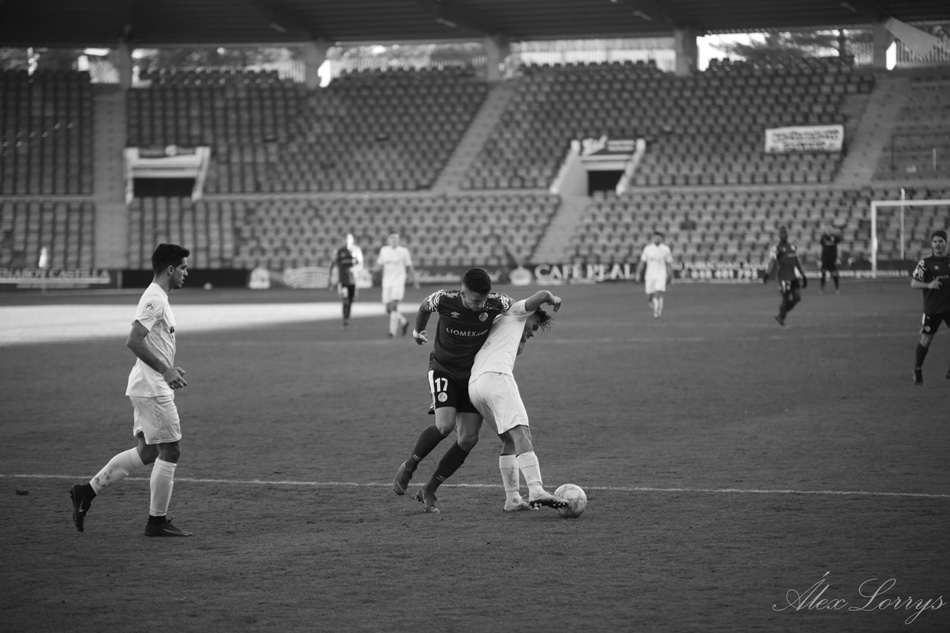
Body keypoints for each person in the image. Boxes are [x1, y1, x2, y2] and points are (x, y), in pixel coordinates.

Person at [69, 243, 193, 537]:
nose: (186, 273)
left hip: (147, 384)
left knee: (148, 451)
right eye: (183, 268)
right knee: (171, 450)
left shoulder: (159, 297)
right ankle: (156, 522)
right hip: (152, 387)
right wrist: (165, 370)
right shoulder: (155, 299)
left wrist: (168, 367)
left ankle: (86, 491)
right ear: (170, 269)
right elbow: (134, 340)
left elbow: (151, 342)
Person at [391, 267, 512, 513]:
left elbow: (520, 311)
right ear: (462, 292)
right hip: (443, 370)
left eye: (484, 300)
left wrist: (522, 337)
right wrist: (418, 331)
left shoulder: (498, 302)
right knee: (445, 425)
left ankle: (429, 489)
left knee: (468, 438)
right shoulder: (444, 299)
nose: (480, 305)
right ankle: (410, 466)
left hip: (474, 376)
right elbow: (424, 306)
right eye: (475, 300)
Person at [468, 290, 567, 512]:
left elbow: (518, 350)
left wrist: (524, 336)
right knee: (522, 433)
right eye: (535, 326)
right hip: (496, 377)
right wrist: (553, 299)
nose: (534, 331)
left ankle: (512, 499)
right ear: (529, 314)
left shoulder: (501, 324)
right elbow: (542, 294)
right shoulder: (517, 312)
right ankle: (536, 489)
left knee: (509, 440)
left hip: (475, 386)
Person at [910, 229, 950, 385]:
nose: (938, 244)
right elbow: (913, 283)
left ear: (946, 243)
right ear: (931, 244)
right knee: (926, 340)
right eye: (935, 241)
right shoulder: (925, 262)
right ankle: (917, 369)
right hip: (932, 309)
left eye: (941, 241)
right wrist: (929, 285)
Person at [374, 232, 418, 338]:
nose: (394, 240)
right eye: (392, 238)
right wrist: (372, 271)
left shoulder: (403, 251)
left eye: (396, 238)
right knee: (388, 309)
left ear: (399, 240)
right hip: (386, 282)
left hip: (398, 281)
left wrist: (415, 280)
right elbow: (379, 264)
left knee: (394, 306)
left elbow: (409, 266)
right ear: (388, 240)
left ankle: (392, 332)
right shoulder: (384, 250)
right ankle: (404, 322)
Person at [764, 226, 808, 327]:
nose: (783, 235)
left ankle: (781, 314)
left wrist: (803, 276)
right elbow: (772, 261)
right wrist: (767, 274)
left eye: (785, 233)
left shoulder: (792, 247)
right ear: (779, 236)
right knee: (786, 299)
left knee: (797, 297)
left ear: (787, 235)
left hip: (793, 277)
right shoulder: (776, 248)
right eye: (781, 234)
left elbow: (796, 262)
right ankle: (781, 317)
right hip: (783, 278)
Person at [327, 233, 364, 329]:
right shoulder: (339, 251)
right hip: (342, 280)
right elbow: (333, 265)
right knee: (345, 300)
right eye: (345, 239)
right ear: (342, 240)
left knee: (351, 300)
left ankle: (347, 317)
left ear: (352, 240)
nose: (347, 241)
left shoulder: (357, 251)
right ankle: (345, 319)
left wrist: (353, 269)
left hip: (353, 281)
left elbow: (361, 265)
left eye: (348, 239)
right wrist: (330, 279)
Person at [636, 230, 674, 319]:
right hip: (650, 275)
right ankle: (654, 304)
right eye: (655, 237)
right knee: (649, 296)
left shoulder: (666, 249)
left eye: (659, 237)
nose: (657, 239)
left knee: (658, 292)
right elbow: (642, 262)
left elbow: (669, 264)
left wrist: (672, 277)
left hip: (661, 274)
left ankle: (657, 312)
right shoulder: (648, 249)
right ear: (653, 238)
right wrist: (638, 273)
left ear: (662, 239)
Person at [819, 225, 842, 294]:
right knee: (823, 274)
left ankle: (837, 288)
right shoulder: (823, 237)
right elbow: (821, 247)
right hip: (825, 259)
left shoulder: (835, 237)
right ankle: (822, 288)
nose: (828, 230)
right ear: (825, 230)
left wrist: (838, 258)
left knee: (834, 274)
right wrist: (819, 258)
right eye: (827, 229)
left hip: (833, 259)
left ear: (832, 230)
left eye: (830, 229)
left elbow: (839, 246)